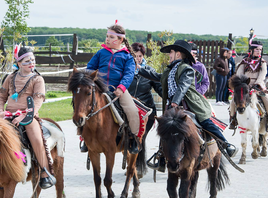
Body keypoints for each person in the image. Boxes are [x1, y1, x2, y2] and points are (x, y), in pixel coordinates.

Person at [138, 40, 238, 161]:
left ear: (178, 54)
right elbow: (157, 77)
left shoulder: (187, 69)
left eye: (171, 52)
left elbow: (183, 86)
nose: (169, 54)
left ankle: (226, 144)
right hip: (173, 106)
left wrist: (174, 102)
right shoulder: (169, 70)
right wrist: (138, 69)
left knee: (205, 121)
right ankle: (162, 156)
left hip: (190, 104)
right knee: (166, 127)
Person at [0, 46, 56, 190]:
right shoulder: (10, 77)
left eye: (33, 60)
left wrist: (24, 115)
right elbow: (1, 95)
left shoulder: (38, 79)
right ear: (19, 63)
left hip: (28, 115)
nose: (31, 63)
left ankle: (45, 171)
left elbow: (38, 100)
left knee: (36, 138)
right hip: (8, 115)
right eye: (27, 61)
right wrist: (0, 111)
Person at [86, 22, 147, 154]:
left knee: (132, 111)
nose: (107, 39)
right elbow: (90, 67)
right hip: (99, 88)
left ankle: (133, 138)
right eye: (107, 36)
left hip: (118, 89)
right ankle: (84, 139)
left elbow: (129, 74)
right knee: (84, 107)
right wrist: (90, 79)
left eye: (111, 37)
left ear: (120, 40)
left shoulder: (127, 56)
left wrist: (121, 87)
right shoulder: (101, 53)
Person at [128, 42, 162, 176]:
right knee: (129, 137)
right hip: (129, 109)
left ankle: (139, 167)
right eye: (135, 56)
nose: (137, 58)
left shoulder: (149, 71)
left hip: (147, 111)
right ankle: (132, 164)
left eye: (140, 56)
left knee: (140, 137)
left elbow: (159, 89)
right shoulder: (126, 70)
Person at [229, 40, 268, 131]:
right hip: (244, 86)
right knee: (232, 102)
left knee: (267, 100)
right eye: (257, 49)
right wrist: (243, 84)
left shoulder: (262, 63)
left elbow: (263, 74)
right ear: (251, 50)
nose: (259, 51)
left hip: (258, 86)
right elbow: (239, 74)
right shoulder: (244, 62)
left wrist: (257, 84)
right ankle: (233, 119)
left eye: (260, 50)